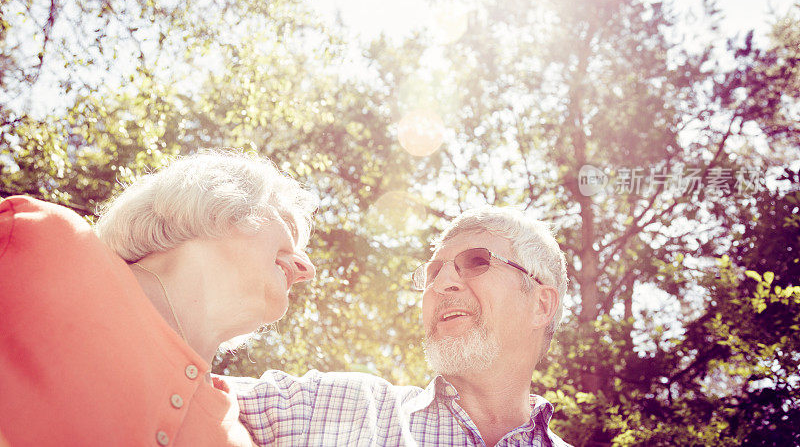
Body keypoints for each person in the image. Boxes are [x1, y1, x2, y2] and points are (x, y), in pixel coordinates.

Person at [0, 150, 317, 446]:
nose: (307, 270)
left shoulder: (232, 438)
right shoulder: (41, 241)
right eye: (289, 229)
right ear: (222, 200)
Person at [232, 206, 572, 446]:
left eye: (476, 262)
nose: (441, 284)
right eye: (433, 272)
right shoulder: (326, 407)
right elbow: (186, 384)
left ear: (541, 305)